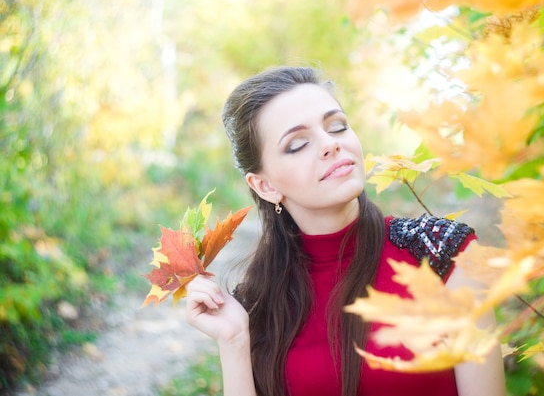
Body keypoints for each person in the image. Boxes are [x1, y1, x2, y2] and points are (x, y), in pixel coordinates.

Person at [185, 66, 506, 396]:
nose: (330, 144)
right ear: (265, 186)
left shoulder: (442, 253)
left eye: (337, 127)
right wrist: (234, 341)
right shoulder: (257, 303)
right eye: (298, 144)